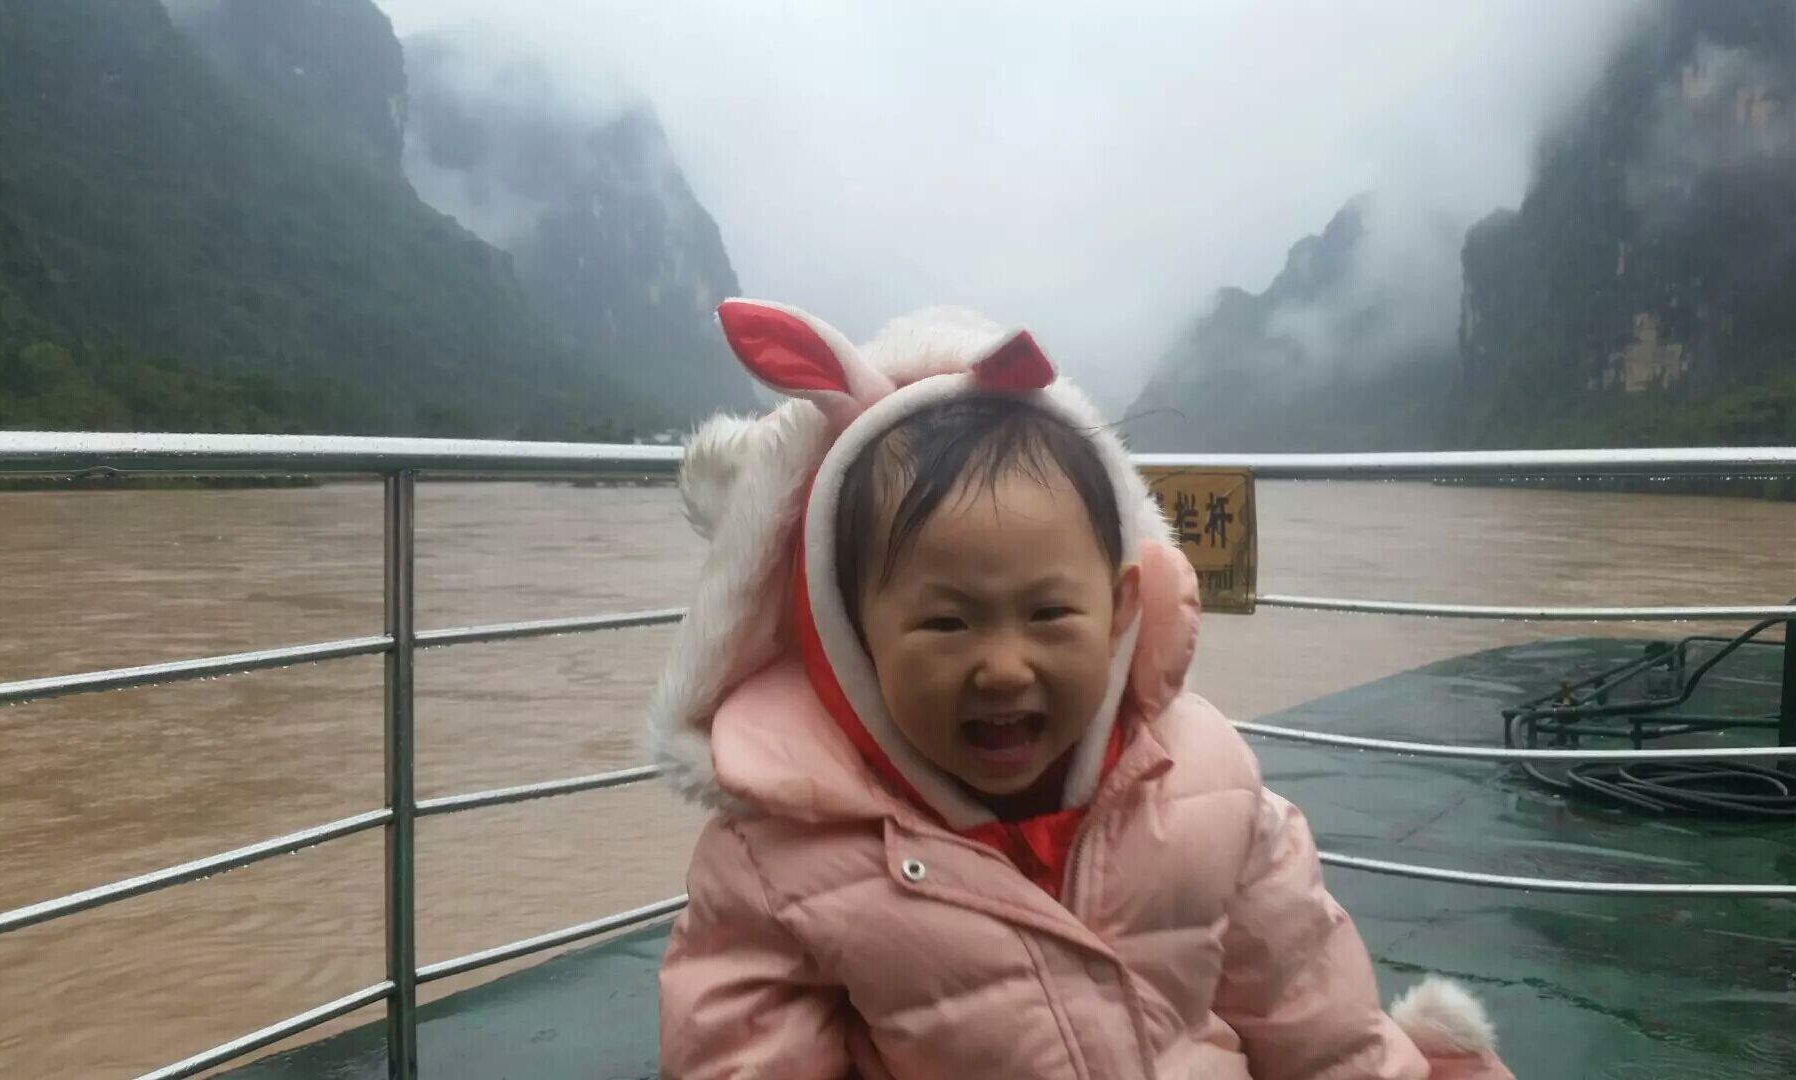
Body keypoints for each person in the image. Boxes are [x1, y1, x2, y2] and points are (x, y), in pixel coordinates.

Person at [649, 298, 1514, 1080]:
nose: (1003, 667)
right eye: (947, 623)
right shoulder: (780, 858)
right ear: (850, 637)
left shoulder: (1207, 784)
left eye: (1049, 613)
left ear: (1120, 610)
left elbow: (1313, 1017)